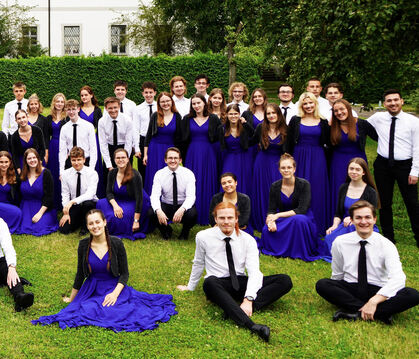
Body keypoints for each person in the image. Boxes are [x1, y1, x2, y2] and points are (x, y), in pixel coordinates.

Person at [32, 209, 177, 331]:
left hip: (114, 287)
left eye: (97, 222)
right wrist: (72, 299)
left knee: (120, 310)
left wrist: (114, 294)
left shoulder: (117, 243)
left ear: (104, 222)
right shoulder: (83, 245)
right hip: (92, 288)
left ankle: (118, 303)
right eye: (91, 223)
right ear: (87, 226)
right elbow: (80, 274)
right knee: (88, 309)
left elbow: (125, 273)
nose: (95, 226)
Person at [177, 202, 293, 342]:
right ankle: (253, 326)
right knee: (209, 282)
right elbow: (199, 263)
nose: (226, 222)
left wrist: (248, 299)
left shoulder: (248, 240)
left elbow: (254, 271)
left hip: (240, 282)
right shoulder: (203, 237)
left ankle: (233, 309)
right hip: (219, 284)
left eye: (230, 218)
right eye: (222, 218)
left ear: (236, 219)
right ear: (216, 219)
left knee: (284, 280)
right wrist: (190, 287)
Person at [316, 200, 419, 324]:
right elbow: (338, 273)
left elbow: (398, 278)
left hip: (378, 289)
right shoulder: (340, 242)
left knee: (412, 294)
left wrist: (374, 301)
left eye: (367, 217)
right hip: (352, 287)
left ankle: (355, 312)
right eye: (358, 218)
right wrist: (336, 291)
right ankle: (381, 314)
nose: (363, 222)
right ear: (352, 220)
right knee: (323, 284)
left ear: (374, 219)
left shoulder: (386, 245)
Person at [367, 89, 419, 246]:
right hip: (383, 165)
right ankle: (389, 237)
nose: (393, 103)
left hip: (405, 166)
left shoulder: (413, 121)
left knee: (412, 202)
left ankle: (418, 235)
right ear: (384, 104)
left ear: (402, 101)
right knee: (384, 202)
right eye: (389, 101)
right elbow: (362, 126)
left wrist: (415, 171)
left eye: (396, 100)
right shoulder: (378, 118)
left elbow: (418, 147)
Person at [260, 153, 327, 261]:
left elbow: (302, 209)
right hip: (284, 218)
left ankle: (297, 250)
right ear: (279, 170)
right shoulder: (275, 186)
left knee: (298, 220)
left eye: (289, 167)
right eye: (283, 168)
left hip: (302, 217)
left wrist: (277, 215)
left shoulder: (304, 184)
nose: (286, 170)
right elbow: (271, 209)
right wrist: (270, 221)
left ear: (294, 169)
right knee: (266, 230)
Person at [287, 92, 330, 235]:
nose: (308, 106)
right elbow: (289, 143)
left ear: (315, 103)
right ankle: (297, 224)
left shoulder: (323, 121)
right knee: (298, 189)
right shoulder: (295, 120)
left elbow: (329, 142)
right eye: (305, 103)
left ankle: (317, 224)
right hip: (299, 157)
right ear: (301, 105)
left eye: (311, 103)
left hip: (318, 158)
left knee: (317, 188)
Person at [329, 99, 378, 215]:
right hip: (338, 163)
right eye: (336, 111)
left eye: (342, 109)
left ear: (348, 109)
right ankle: (337, 219)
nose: (339, 112)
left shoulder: (361, 124)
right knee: (339, 190)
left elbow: (381, 138)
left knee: (359, 189)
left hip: (358, 161)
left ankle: (361, 216)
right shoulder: (331, 127)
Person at [325, 158, 379, 254]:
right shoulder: (343, 188)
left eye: (358, 169)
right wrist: (334, 225)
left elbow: (371, 216)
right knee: (329, 238)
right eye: (351, 169)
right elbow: (338, 213)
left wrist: (353, 219)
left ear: (364, 172)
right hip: (345, 224)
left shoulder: (371, 192)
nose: (354, 172)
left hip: (363, 225)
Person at [182, 94, 221, 225]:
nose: (196, 106)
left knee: (208, 180)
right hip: (192, 153)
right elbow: (183, 139)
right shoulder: (187, 119)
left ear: (204, 103)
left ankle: (208, 214)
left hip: (209, 153)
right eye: (194, 104)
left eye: (199, 103)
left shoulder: (214, 118)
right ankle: (192, 213)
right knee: (192, 182)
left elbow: (219, 137)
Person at [96, 149, 152, 240]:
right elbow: (109, 192)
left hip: (133, 201)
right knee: (100, 203)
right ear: (114, 160)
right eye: (118, 158)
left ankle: (115, 229)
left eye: (123, 157)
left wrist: (136, 221)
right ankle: (103, 225)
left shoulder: (135, 175)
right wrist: (115, 206)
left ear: (127, 159)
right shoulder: (112, 173)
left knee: (114, 216)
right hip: (118, 199)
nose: (120, 160)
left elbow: (139, 199)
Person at [250, 103, 287, 232]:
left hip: (278, 165)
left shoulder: (285, 129)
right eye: (268, 113)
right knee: (262, 190)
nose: (271, 116)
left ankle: (277, 220)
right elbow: (251, 141)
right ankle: (261, 219)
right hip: (262, 163)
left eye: (273, 113)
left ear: (278, 114)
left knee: (277, 191)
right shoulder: (261, 127)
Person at [150, 147, 197, 239]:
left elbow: (191, 197)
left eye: (175, 158)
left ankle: (185, 232)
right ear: (165, 160)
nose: (173, 160)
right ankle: (166, 230)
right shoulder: (159, 174)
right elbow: (155, 196)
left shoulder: (188, 174)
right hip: (166, 204)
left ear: (180, 160)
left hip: (182, 204)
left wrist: (182, 209)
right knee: (151, 213)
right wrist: (159, 211)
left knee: (192, 214)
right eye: (170, 158)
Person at [143, 92, 182, 194]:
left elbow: (179, 138)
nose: (165, 103)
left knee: (169, 176)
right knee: (154, 175)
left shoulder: (177, 116)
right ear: (159, 103)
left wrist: (178, 154)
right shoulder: (155, 115)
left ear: (171, 102)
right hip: (155, 149)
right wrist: (145, 155)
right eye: (162, 101)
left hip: (171, 149)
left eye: (167, 101)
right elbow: (148, 136)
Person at [16, 148, 58, 236]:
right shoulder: (22, 175)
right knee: (25, 227)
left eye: (34, 157)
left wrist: (40, 214)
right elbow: (18, 195)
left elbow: (49, 196)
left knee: (39, 227)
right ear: (25, 161)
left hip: (42, 207)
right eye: (29, 158)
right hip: (26, 207)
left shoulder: (46, 173)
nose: (32, 160)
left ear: (38, 159)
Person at [59, 147, 98, 235]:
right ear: (70, 160)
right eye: (74, 160)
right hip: (75, 206)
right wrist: (66, 211)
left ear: (84, 160)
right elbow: (65, 194)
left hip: (88, 204)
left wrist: (72, 201)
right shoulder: (65, 174)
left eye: (79, 160)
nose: (76, 163)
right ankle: (78, 221)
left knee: (88, 203)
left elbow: (90, 194)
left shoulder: (92, 173)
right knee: (64, 230)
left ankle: (85, 226)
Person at [218, 104, 254, 196]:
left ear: (239, 114)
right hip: (229, 158)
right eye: (230, 114)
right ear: (226, 115)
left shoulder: (244, 127)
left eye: (235, 114)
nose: (233, 116)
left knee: (245, 182)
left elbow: (253, 135)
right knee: (228, 180)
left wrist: (245, 123)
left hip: (244, 158)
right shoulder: (222, 128)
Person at [0, 218, 34, 312]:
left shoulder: (1, 223)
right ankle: (10, 280)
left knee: (6, 270)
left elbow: (8, 247)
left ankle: (20, 297)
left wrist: (11, 267)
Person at [59, 99, 97, 176]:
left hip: (85, 160)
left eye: (73, 109)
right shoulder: (64, 128)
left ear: (78, 109)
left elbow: (93, 148)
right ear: (66, 110)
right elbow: (62, 151)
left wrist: (91, 168)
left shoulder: (88, 126)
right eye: (69, 109)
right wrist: (62, 170)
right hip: (71, 161)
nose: (71, 112)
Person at [79, 85, 105, 197]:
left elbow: (100, 128)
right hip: (81, 139)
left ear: (91, 95)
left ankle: (96, 192)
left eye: (86, 95)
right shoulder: (78, 109)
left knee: (94, 164)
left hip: (94, 139)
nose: (84, 97)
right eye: (82, 95)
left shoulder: (98, 110)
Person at [98, 97, 134, 174]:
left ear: (119, 107)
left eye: (115, 107)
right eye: (110, 108)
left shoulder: (127, 120)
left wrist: (125, 160)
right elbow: (103, 143)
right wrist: (109, 165)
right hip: (110, 148)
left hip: (124, 148)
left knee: (126, 177)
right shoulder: (102, 121)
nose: (113, 110)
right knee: (109, 177)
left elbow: (129, 142)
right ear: (106, 108)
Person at [46, 93, 67, 209]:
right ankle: (53, 201)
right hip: (53, 145)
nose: (59, 104)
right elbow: (46, 135)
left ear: (64, 104)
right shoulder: (49, 118)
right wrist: (47, 151)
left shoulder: (67, 117)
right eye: (57, 101)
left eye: (62, 102)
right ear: (54, 103)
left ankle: (63, 201)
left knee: (63, 172)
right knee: (53, 172)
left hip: (64, 146)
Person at [133, 81, 157, 179]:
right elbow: (135, 128)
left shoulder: (159, 107)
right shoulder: (138, 109)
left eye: (150, 92)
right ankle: (143, 192)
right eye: (146, 92)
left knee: (156, 166)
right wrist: (137, 148)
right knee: (143, 169)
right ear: (142, 93)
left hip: (156, 139)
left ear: (155, 93)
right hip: (143, 140)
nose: (148, 95)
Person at [0, 151, 22, 233]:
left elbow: (18, 196)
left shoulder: (15, 177)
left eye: (6, 162)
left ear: (10, 163)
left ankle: (5, 228)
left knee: (17, 212)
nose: (4, 164)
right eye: (1, 162)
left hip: (8, 206)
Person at [26, 94, 48, 163]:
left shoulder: (44, 119)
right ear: (28, 105)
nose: (34, 106)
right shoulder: (24, 118)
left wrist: (46, 153)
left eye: (36, 104)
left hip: (39, 150)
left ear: (39, 105)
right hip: (26, 150)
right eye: (31, 104)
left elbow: (46, 137)